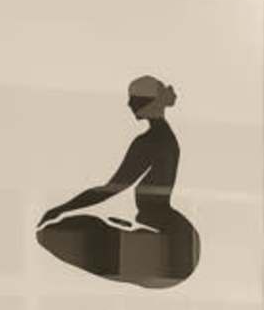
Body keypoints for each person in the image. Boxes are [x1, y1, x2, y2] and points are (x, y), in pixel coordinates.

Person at [33, 74, 200, 290]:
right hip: (176, 245)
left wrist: (61, 209)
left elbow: (111, 189)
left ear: (147, 103)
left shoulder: (150, 141)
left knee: (57, 234)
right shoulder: (162, 137)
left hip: (172, 249)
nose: (129, 104)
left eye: (134, 99)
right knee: (77, 234)